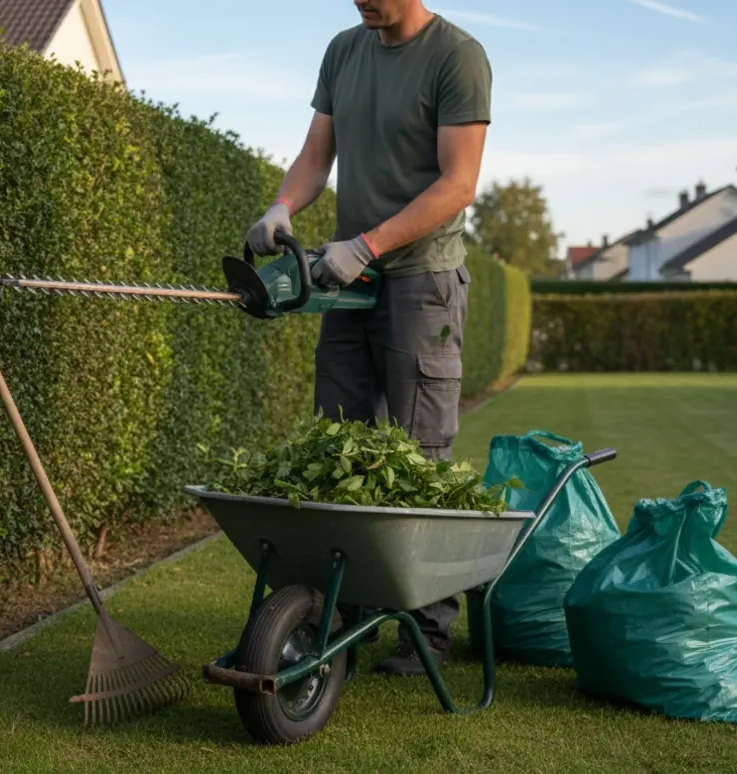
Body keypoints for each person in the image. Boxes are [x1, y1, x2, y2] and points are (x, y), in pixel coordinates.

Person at [244, 0, 492, 676]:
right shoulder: (344, 50)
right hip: (349, 279)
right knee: (341, 445)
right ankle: (339, 623)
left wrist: (370, 244)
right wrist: (281, 205)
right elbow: (315, 154)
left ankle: (427, 633)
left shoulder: (456, 56)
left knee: (419, 453)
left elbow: (459, 183)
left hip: (421, 281)